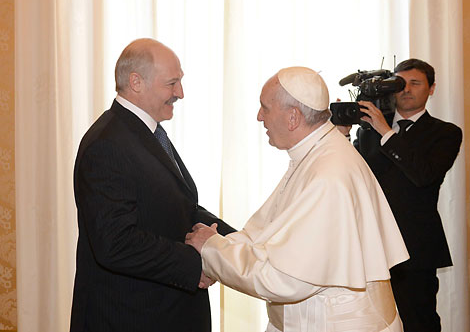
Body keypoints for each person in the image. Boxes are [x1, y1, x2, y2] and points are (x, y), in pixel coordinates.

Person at [185, 66, 410, 332]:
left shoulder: (329, 173)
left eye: (264, 107)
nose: (259, 117)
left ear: (292, 117)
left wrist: (212, 250)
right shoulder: (316, 154)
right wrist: (218, 245)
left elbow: (283, 279)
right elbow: (265, 232)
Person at [70, 38, 236, 332]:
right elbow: (115, 242)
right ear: (136, 82)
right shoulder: (106, 143)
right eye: (172, 83)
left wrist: (237, 244)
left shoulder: (143, 132)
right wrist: (193, 265)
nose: (180, 93)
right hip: (130, 318)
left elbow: (178, 207)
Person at [338, 58, 462, 332]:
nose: (405, 89)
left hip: (416, 249)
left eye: (415, 83)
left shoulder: (446, 133)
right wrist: (343, 136)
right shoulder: (368, 132)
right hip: (371, 245)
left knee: (419, 321)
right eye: (399, 83)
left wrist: (386, 129)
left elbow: (423, 175)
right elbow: (352, 177)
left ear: (431, 88)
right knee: (372, 322)